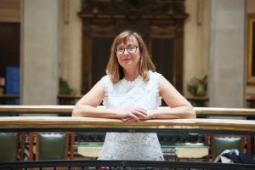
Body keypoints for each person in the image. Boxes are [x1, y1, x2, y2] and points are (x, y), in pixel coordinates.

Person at [72, 30, 195, 160]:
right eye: (120, 49)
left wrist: (152, 114)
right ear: (115, 55)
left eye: (130, 47)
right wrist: (120, 114)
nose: (125, 53)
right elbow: (78, 110)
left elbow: (189, 111)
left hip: (147, 155)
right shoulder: (107, 82)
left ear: (141, 52)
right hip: (114, 155)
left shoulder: (156, 80)